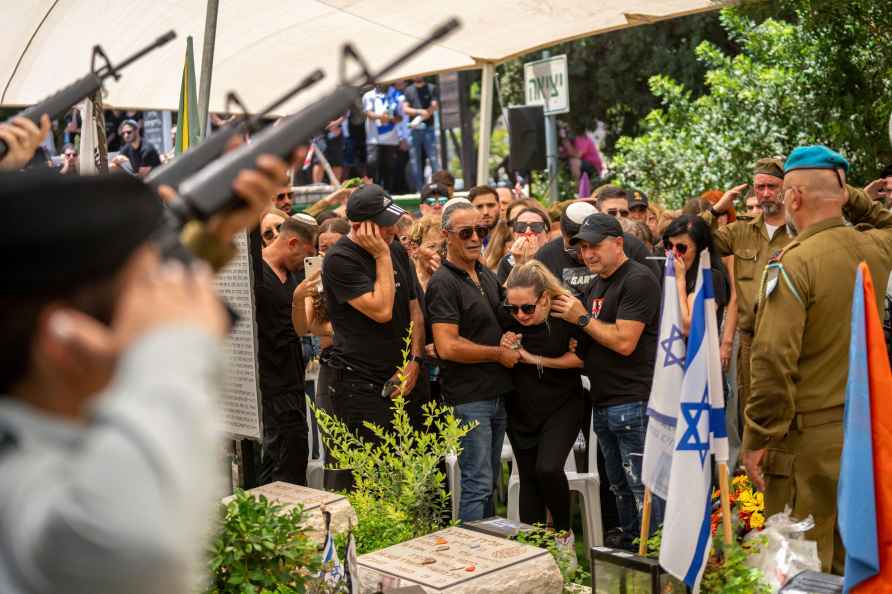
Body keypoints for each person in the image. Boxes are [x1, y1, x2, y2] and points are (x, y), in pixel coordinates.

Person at [0, 153, 288, 594]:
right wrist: (173, 349)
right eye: (147, 299)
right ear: (64, 337)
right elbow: (140, 550)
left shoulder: (37, 428)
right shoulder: (26, 483)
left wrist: (215, 235)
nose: (165, 301)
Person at [742, 145, 892, 574]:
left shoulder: (792, 263)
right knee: (857, 566)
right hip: (864, 434)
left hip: (804, 443)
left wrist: (758, 438)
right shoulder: (875, 247)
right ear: (841, 194)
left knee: (801, 567)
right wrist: (852, 194)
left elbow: (772, 360)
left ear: (792, 198)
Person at [550, 214, 662, 550]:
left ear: (618, 243)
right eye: (583, 248)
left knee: (642, 488)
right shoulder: (598, 285)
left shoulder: (638, 279)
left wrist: (582, 319)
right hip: (604, 401)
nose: (588, 254)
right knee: (618, 489)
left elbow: (625, 342)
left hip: (634, 400)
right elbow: (583, 346)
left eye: (595, 246)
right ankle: (630, 555)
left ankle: (654, 558)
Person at [426, 198, 519, 521]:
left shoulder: (485, 273)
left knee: (489, 481)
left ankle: (488, 556)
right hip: (469, 397)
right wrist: (498, 353)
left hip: (496, 392)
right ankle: (471, 556)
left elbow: (502, 322)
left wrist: (509, 337)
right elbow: (447, 346)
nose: (475, 238)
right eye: (465, 232)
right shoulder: (443, 283)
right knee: (478, 483)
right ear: (446, 235)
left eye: (481, 230)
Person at [322, 184, 425, 443]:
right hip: (362, 385)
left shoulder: (396, 249)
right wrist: (381, 255)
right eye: (384, 223)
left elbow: (415, 309)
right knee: (378, 475)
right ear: (360, 226)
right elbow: (381, 310)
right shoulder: (340, 259)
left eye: (393, 221)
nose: (392, 229)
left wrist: (415, 361)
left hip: (405, 375)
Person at [703, 158, 792, 432]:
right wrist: (717, 209)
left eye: (772, 186)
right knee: (751, 412)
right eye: (759, 187)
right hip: (751, 340)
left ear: (786, 187)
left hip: (791, 339)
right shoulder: (741, 231)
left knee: (789, 409)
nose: (765, 193)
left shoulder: (801, 230)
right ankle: (751, 473)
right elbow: (687, 238)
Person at [499, 261, 584, 544]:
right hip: (521, 405)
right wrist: (503, 342)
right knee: (528, 478)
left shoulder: (565, 313)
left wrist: (535, 359)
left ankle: (563, 535)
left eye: (527, 308)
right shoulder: (507, 317)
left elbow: (582, 358)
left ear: (545, 298)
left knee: (548, 467)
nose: (520, 314)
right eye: (513, 308)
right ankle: (535, 548)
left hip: (563, 402)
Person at [255, 217, 318, 485]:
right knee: (280, 468)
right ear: (292, 243)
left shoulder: (292, 276)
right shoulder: (255, 272)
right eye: (306, 253)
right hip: (269, 388)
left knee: (294, 463)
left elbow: (302, 329)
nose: (306, 261)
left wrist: (307, 300)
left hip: (292, 383)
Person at [534, 201, 660, 298]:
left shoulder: (631, 247)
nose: (584, 255)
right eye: (574, 248)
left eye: (593, 245)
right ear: (562, 235)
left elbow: (655, 291)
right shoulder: (546, 256)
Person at [401, 78, 440, 191]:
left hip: (429, 128)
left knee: (433, 159)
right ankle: (420, 190)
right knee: (415, 161)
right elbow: (405, 109)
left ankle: (437, 188)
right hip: (414, 129)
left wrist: (427, 112)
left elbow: (434, 105)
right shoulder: (408, 90)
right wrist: (420, 112)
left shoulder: (431, 88)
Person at [363, 86, 402, 193]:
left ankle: (387, 191)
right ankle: (371, 190)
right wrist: (381, 117)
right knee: (372, 162)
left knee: (389, 165)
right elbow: (368, 113)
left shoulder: (396, 94)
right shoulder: (369, 95)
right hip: (373, 138)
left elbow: (400, 117)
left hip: (391, 137)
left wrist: (391, 118)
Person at [497, 206, 551, 284]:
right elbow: (503, 294)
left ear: (547, 235)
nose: (527, 231)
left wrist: (532, 261)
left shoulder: (556, 256)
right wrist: (519, 265)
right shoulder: (507, 261)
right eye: (521, 227)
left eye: (536, 226)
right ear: (514, 234)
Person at [409, 215, 443, 291]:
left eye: (443, 246)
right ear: (414, 248)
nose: (439, 253)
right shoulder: (407, 280)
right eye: (432, 246)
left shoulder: (453, 277)